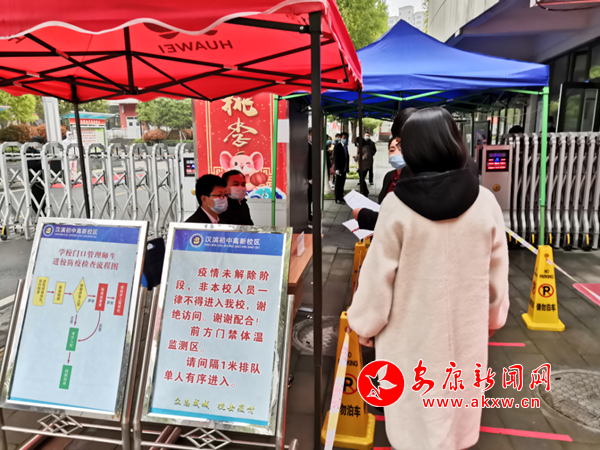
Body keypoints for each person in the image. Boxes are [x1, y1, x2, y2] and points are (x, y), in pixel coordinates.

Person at [347, 107, 509, 450]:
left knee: (414, 420)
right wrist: (493, 318)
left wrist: (365, 325)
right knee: (455, 412)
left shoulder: (397, 206)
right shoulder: (485, 202)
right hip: (466, 334)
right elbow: (497, 273)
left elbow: (378, 278)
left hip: (409, 337)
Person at [352, 108, 416, 230]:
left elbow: (402, 220)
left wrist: (364, 216)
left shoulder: (421, 180)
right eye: (393, 148)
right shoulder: (389, 176)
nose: (398, 151)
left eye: (401, 145)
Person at [333, 132, 350, 204]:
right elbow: (335, 158)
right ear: (341, 138)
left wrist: (347, 168)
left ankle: (341, 197)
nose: (345, 139)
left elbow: (346, 158)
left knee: (342, 184)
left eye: (346, 138)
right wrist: (336, 168)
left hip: (344, 169)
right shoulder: (338, 146)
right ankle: (337, 198)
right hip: (339, 169)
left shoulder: (345, 147)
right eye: (344, 138)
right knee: (338, 184)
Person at [308, 127, 313, 222]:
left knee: (310, 197)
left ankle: (309, 214)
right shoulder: (306, 146)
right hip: (308, 177)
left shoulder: (310, 145)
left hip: (311, 176)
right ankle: (308, 215)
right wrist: (309, 177)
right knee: (308, 198)